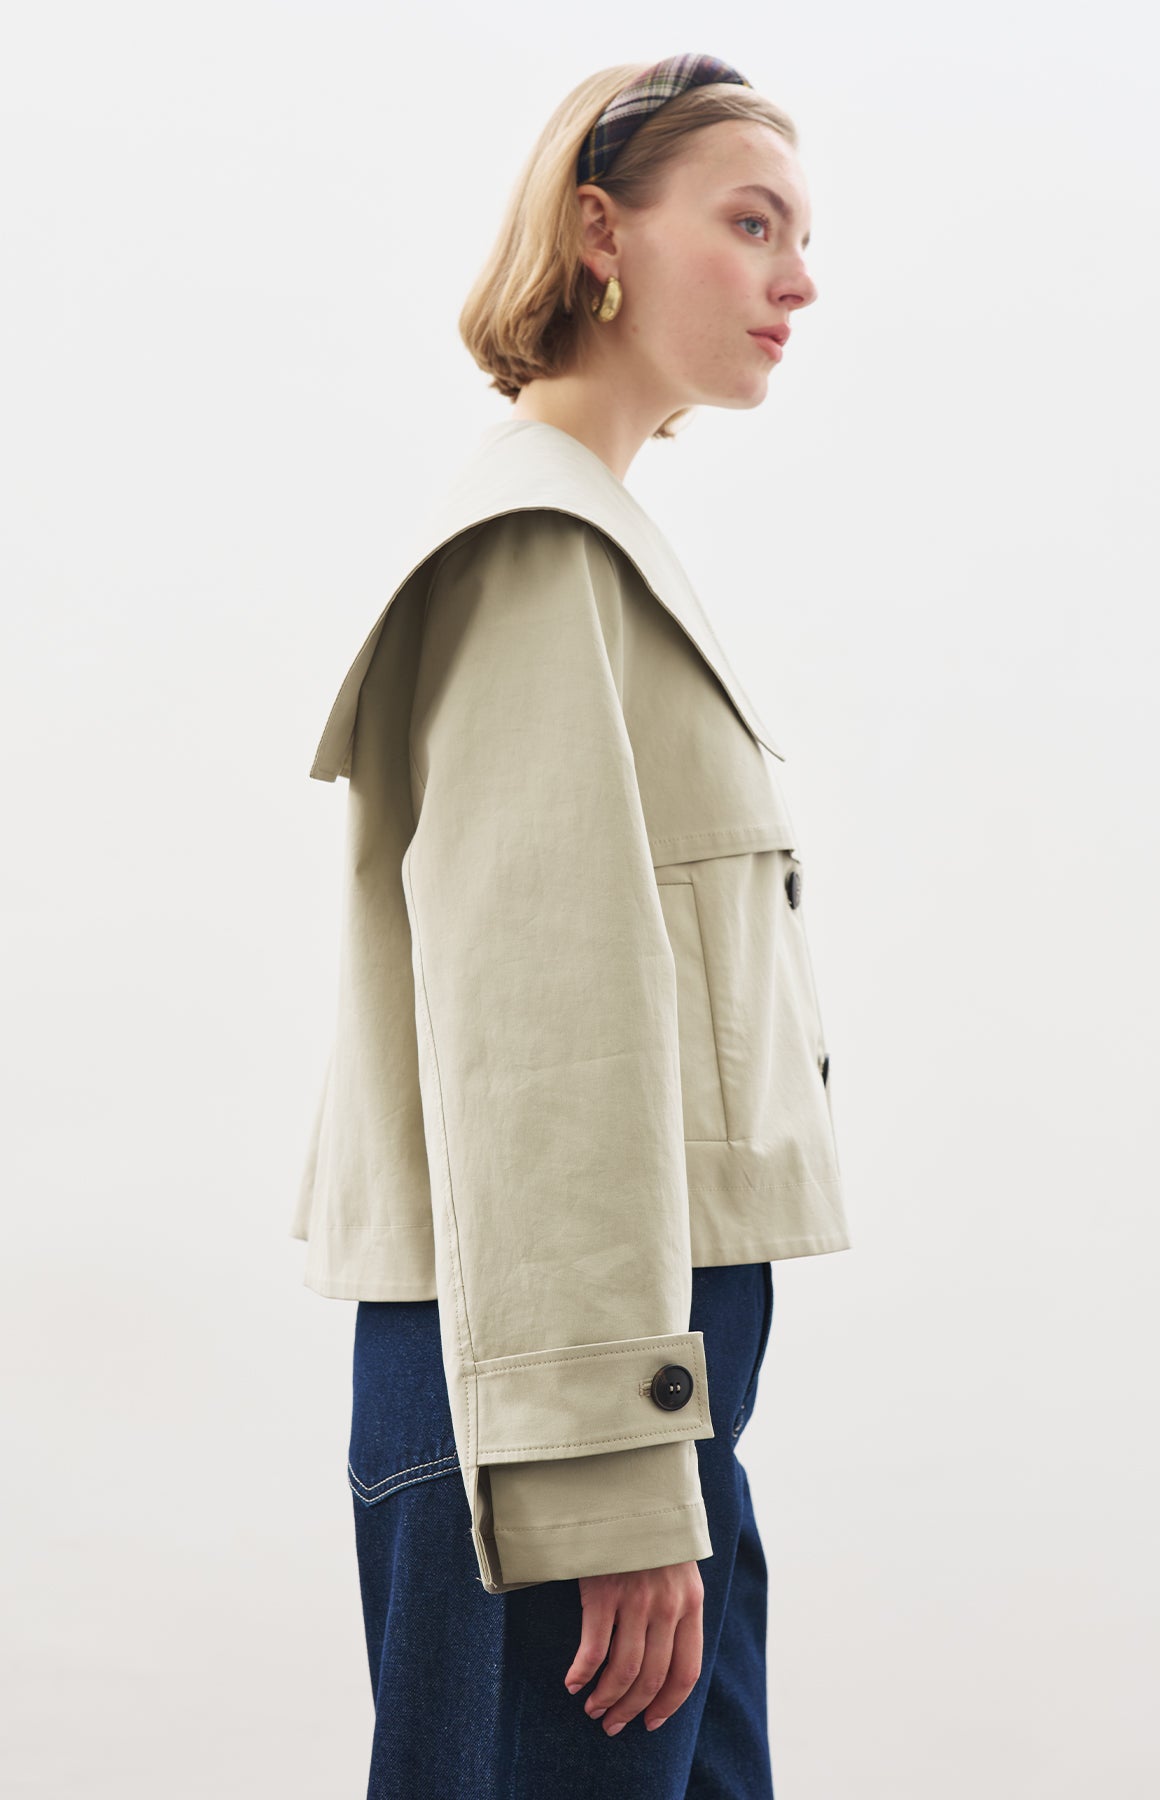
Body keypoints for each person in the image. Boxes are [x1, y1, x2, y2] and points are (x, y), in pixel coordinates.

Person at [290, 50, 853, 1798]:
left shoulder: (589, 543)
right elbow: (541, 1044)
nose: (798, 279)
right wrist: (607, 1481)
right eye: (751, 223)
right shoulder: (537, 551)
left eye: (803, 237)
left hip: (629, 1380)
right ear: (599, 231)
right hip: (555, 1398)